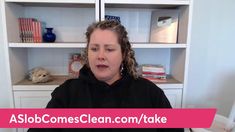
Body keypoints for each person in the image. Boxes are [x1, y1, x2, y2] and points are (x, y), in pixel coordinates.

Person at [28, 20, 184, 132]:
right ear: (87, 52)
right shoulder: (66, 93)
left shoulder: (150, 92)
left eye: (109, 49)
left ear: (123, 53)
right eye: (94, 48)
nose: (100, 56)